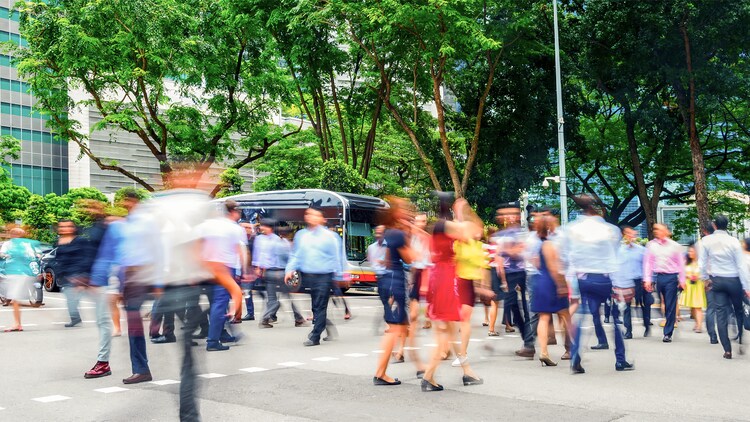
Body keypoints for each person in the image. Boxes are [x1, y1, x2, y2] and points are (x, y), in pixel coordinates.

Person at [565, 196, 633, 374]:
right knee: (614, 320)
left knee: (582, 316)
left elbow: (569, 257)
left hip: (584, 279)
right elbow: (614, 256)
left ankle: (575, 356)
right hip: (605, 280)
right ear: (599, 209)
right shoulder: (610, 230)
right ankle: (620, 359)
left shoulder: (572, 229)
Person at [421, 194, 482, 392]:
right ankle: (428, 376)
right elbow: (473, 231)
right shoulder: (444, 226)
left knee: (450, 330)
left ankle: (467, 371)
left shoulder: (439, 227)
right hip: (444, 279)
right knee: (446, 332)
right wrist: (463, 212)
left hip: (441, 277)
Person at [285, 206, 343, 347]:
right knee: (315, 306)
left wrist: (340, 276)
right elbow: (295, 255)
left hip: (324, 276)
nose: (311, 217)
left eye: (315, 215)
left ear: (322, 219)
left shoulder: (330, 236)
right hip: (308, 276)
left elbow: (338, 257)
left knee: (319, 306)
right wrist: (290, 269)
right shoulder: (301, 235)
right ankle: (321, 328)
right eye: (309, 214)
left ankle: (315, 335)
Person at [372, 197, 415, 386]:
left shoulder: (390, 233)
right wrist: (412, 234)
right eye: (405, 209)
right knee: (394, 330)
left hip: (390, 282)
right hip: (394, 283)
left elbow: (389, 259)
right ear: (397, 213)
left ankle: (383, 372)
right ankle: (380, 373)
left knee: (398, 327)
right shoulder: (397, 234)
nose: (408, 212)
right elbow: (412, 258)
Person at [698, 215, 750, 359]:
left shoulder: (706, 240)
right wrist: (746, 286)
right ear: (726, 225)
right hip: (734, 280)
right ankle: (740, 339)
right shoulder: (734, 242)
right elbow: (741, 265)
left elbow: (702, 263)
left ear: (714, 225)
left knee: (720, 314)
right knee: (738, 310)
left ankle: (727, 349)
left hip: (717, 280)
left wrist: (705, 279)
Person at [200, 200, 249, 352]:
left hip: (206, 268)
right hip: (225, 268)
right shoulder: (235, 229)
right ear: (234, 212)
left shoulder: (206, 225)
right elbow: (241, 251)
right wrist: (245, 271)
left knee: (215, 303)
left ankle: (222, 333)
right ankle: (213, 341)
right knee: (219, 305)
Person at [529, 215, 572, 366]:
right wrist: (561, 285)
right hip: (551, 283)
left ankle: (544, 351)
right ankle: (572, 347)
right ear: (548, 228)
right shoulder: (548, 245)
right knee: (565, 314)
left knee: (544, 317)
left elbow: (534, 261)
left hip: (540, 281)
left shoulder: (538, 244)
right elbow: (554, 268)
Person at [451, 203, 490, 368]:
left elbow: (484, 269)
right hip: (455, 282)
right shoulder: (457, 244)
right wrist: (460, 211)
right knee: (452, 320)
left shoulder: (479, 247)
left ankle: (462, 354)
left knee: (464, 319)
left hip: (467, 285)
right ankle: (448, 349)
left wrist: (484, 287)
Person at [254, 220, 306, 328]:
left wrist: (260, 268)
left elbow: (262, 257)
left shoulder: (263, 240)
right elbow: (289, 259)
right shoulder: (282, 243)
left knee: (272, 298)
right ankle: (298, 319)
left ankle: (267, 319)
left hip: (269, 273)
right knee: (287, 297)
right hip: (280, 272)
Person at [643, 223, 686, 343]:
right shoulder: (651, 245)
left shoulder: (675, 246)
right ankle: (668, 318)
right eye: (655, 229)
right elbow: (648, 263)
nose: (656, 231)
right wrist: (648, 279)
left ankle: (667, 333)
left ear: (666, 231)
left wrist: (682, 280)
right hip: (659, 277)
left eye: (659, 229)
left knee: (670, 305)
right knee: (662, 303)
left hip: (671, 278)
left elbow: (681, 265)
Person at [0, 227, 40, 332]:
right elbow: (34, 256)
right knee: (14, 298)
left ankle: (17, 324)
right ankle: (17, 323)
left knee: (14, 298)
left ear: (12, 234)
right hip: (26, 273)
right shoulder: (27, 244)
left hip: (14, 273)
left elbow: (2, 254)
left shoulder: (8, 244)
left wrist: (8, 256)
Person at [615, 226, 648, 338]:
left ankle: (646, 324)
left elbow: (647, 266)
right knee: (626, 306)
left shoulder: (641, 250)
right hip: (626, 281)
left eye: (631, 233)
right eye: (627, 233)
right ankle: (628, 331)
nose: (629, 235)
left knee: (642, 304)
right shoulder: (620, 250)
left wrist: (648, 280)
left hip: (639, 281)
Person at [681, 243, 706, 333]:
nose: (690, 253)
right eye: (689, 251)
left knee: (697, 307)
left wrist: (698, 277)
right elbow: (682, 273)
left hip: (698, 286)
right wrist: (688, 277)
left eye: (691, 251)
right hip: (689, 286)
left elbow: (705, 274)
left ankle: (699, 326)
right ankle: (696, 323)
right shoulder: (686, 262)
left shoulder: (701, 263)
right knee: (692, 307)